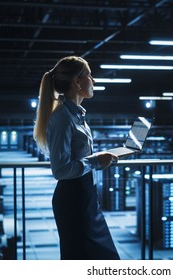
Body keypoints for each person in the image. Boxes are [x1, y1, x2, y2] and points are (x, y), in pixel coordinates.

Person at [33, 56, 120, 260]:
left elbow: (80, 159)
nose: (94, 80)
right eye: (90, 75)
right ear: (77, 82)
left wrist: (99, 159)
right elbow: (60, 170)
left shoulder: (76, 115)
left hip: (85, 198)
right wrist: (96, 161)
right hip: (73, 201)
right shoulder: (63, 118)